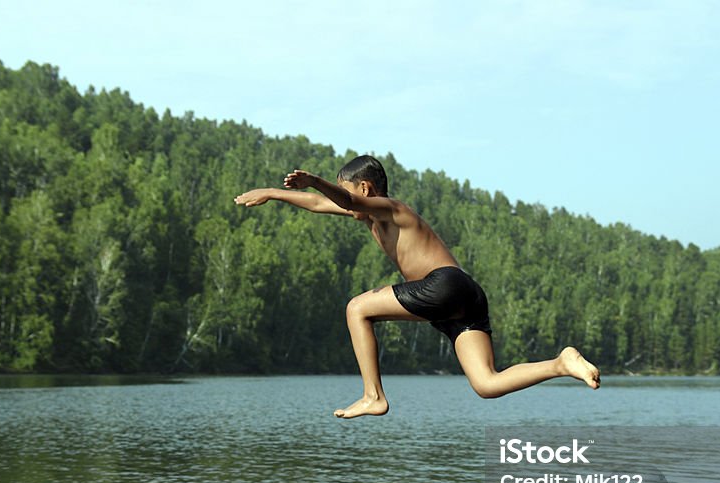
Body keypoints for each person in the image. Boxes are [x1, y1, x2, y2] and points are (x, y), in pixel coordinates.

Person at [234, 155, 600, 418]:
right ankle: (560, 364)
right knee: (487, 384)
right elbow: (319, 203)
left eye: (347, 194)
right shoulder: (368, 216)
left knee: (356, 309)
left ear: (365, 188)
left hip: (443, 285)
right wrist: (272, 192)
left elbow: (339, 198)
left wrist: (314, 178)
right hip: (464, 298)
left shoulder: (392, 209)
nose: (342, 204)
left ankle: (373, 396)